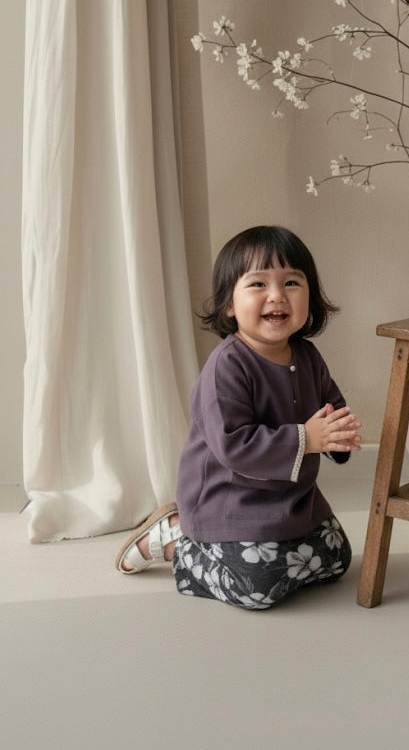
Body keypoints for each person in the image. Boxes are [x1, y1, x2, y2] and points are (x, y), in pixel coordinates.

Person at [115, 224, 362, 609]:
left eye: (291, 283)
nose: (277, 295)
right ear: (229, 304)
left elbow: (330, 407)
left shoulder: (308, 356)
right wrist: (308, 438)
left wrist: (339, 436)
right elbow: (233, 443)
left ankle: (265, 547)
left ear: (310, 297)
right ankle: (180, 541)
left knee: (336, 558)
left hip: (293, 499)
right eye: (258, 284)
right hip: (231, 502)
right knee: (258, 588)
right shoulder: (226, 366)